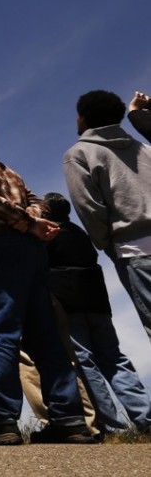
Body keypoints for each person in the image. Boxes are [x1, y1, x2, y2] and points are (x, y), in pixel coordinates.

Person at [0, 121, 92, 446]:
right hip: (32, 253)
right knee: (45, 335)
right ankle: (69, 420)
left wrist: (27, 222)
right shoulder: (9, 171)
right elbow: (36, 199)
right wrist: (35, 220)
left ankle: (0, 420)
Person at [42, 192, 151, 433]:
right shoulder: (81, 234)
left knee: (84, 360)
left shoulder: (47, 236)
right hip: (97, 302)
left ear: (46, 212)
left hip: (68, 302)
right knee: (114, 358)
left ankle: (113, 426)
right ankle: (145, 417)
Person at [64, 90, 151, 346]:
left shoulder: (78, 154)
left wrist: (106, 243)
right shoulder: (144, 148)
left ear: (83, 118)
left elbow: (88, 206)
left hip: (134, 250)